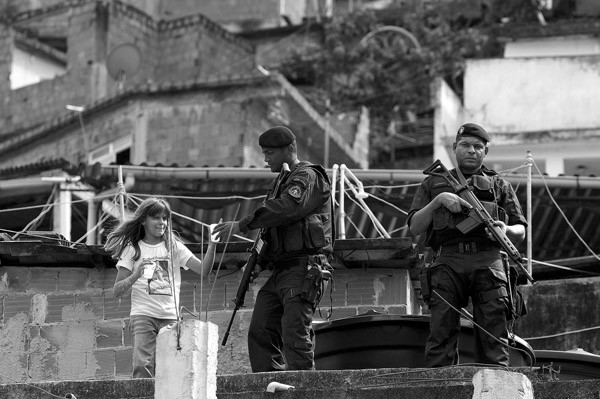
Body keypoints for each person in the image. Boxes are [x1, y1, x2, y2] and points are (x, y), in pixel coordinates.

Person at [212, 125, 334, 372]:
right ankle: (269, 388)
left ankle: (303, 391)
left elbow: (287, 208)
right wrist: (258, 262)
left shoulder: (308, 176)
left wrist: (243, 224)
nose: (265, 159)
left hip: (304, 268)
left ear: (289, 150)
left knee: (294, 336)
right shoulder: (281, 183)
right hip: (281, 271)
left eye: (269, 153)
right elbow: (271, 231)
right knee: (260, 332)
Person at [407, 123, 527, 367]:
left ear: (486, 152)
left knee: (495, 335)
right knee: (441, 331)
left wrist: (505, 230)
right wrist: (439, 201)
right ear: (454, 148)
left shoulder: (499, 184)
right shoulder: (434, 182)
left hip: (489, 260)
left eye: (478, 147)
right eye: (465, 145)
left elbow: (521, 229)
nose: (471, 151)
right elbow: (415, 227)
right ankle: (441, 387)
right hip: (448, 261)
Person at [104, 197, 217, 378]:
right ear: (143, 220)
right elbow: (117, 291)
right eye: (156, 217)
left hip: (170, 317)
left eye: (165, 218)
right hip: (143, 315)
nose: (162, 222)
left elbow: (203, 270)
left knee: (171, 369)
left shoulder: (174, 247)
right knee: (143, 367)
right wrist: (136, 274)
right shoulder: (133, 249)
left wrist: (212, 245)